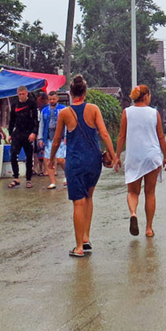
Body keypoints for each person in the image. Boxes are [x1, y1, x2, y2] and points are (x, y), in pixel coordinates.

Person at [51, 75, 117, 257]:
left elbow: (56, 140)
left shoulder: (64, 113)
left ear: (71, 93)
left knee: (78, 203)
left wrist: (51, 158)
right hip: (93, 160)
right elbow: (103, 134)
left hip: (76, 161)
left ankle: (79, 247)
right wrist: (114, 155)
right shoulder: (94, 109)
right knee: (89, 198)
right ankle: (86, 238)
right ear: (85, 93)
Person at [116, 85, 166, 238]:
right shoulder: (154, 113)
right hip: (152, 156)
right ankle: (149, 228)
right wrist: (165, 156)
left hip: (134, 156)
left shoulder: (127, 112)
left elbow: (121, 136)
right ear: (146, 96)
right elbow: (161, 137)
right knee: (150, 192)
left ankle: (133, 213)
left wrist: (117, 156)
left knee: (133, 192)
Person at [7, 86, 39, 189]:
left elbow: (35, 119)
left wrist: (34, 132)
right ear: (17, 94)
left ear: (27, 93)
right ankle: (16, 178)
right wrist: (10, 133)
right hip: (18, 132)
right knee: (13, 155)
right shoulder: (15, 104)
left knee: (29, 157)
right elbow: (11, 119)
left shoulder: (32, 103)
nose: (21, 96)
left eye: (23, 94)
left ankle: (28, 179)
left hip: (28, 132)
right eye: (19, 94)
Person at [41, 91, 67, 190]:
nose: (52, 101)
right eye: (50, 99)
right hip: (48, 138)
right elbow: (42, 125)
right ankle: (52, 182)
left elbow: (67, 124)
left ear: (57, 99)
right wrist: (40, 138)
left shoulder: (63, 109)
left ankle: (67, 175)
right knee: (48, 160)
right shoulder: (44, 111)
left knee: (61, 159)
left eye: (53, 99)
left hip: (60, 138)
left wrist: (66, 136)